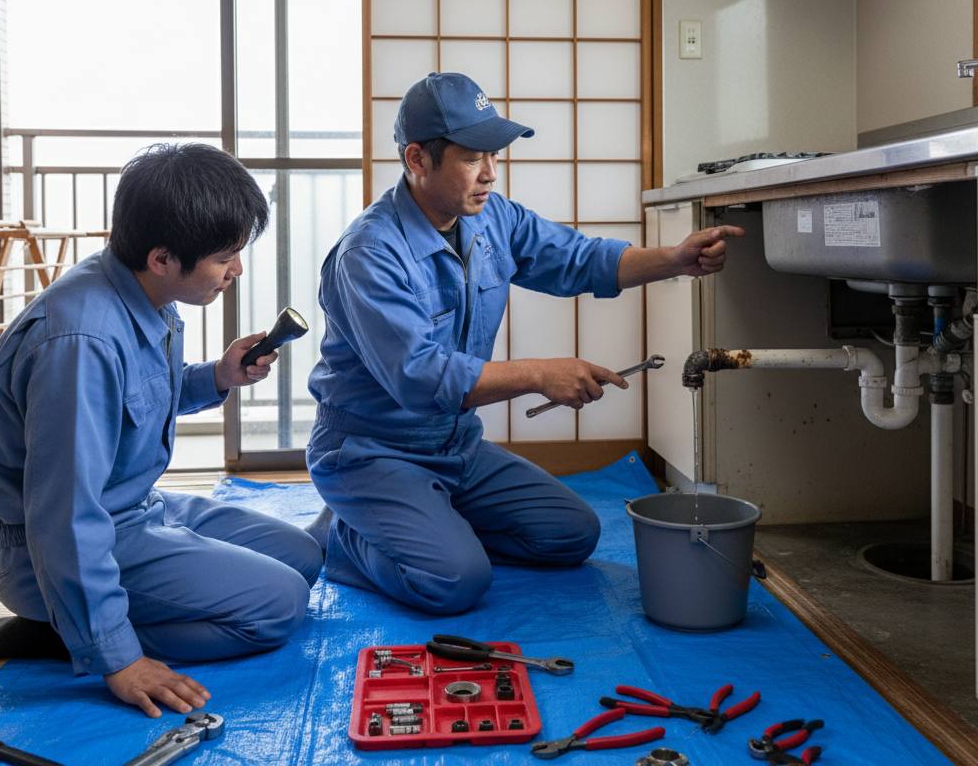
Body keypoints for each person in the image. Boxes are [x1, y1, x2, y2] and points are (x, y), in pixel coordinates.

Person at [305, 73, 742, 615]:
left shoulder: (491, 217)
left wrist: (674, 259)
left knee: (571, 536)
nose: (490, 174)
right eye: (472, 158)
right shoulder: (368, 253)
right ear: (417, 160)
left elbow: (578, 257)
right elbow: (422, 377)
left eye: (495, 155)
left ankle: (427, 529)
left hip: (454, 447)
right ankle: (347, 538)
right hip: (372, 452)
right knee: (454, 583)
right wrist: (539, 374)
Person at [0, 143, 324, 718]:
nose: (237, 270)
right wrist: (120, 660)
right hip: (45, 549)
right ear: (161, 257)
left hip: (133, 509)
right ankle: (66, 634)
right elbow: (65, 516)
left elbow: (146, 393)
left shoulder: (145, 293)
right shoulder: (80, 343)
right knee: (279, 606)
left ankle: (85, 621)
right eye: (225, 256)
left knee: (302, 554)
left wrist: (219, 375)